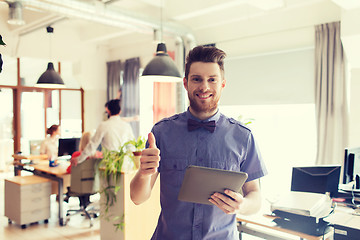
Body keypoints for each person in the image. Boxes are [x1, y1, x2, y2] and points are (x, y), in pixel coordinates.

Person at [130, 46, 267, 239]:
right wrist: (144, 173)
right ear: (185, 83)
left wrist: (242, 205)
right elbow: (137, 198)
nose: (204, 87)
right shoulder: (161, 133)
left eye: (212, 79)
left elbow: (255, 196)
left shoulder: (243, 137)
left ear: (223, 84)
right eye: (197, 79)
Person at [71, 99, 134, 167]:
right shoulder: (127, 126)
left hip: (109, 165)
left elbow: (92, 145)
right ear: (120, 111)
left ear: (108, 111)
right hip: (124, 164)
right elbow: (132, 146)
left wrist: (79, 159)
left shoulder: (104, 125)